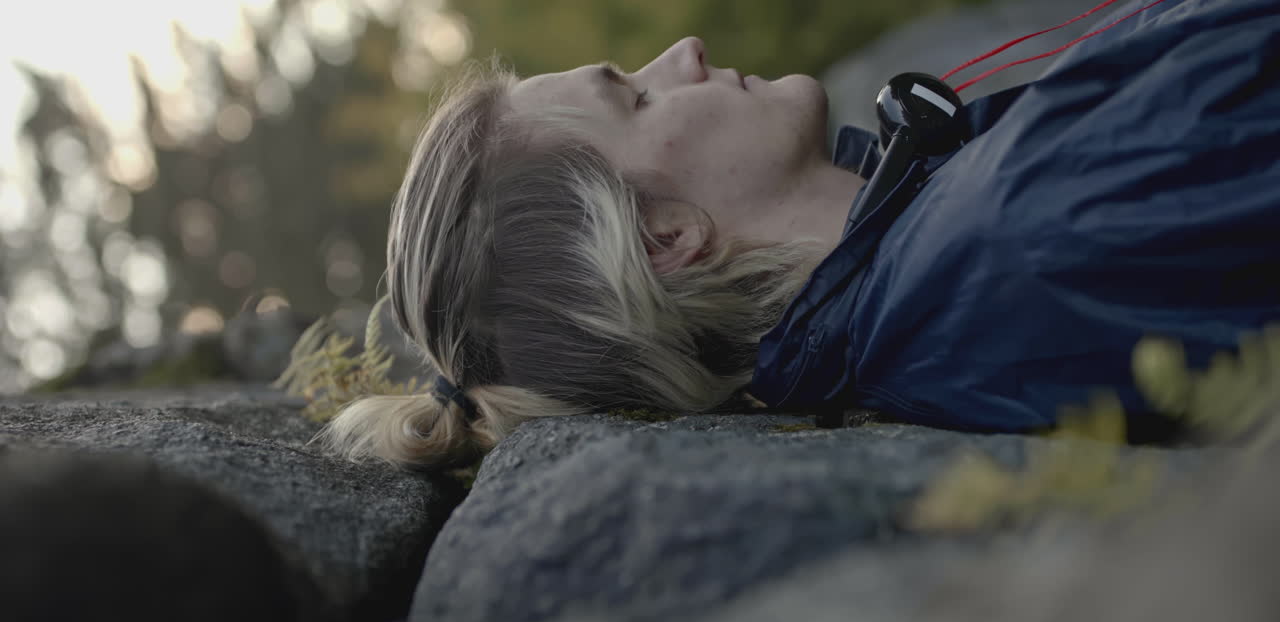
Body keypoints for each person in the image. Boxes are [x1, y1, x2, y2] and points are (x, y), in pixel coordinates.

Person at [321, 0, 1280, 468]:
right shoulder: (1025, 235)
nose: (685, 51)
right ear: (666, 239)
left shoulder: (954, 236)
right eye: (639, 96)